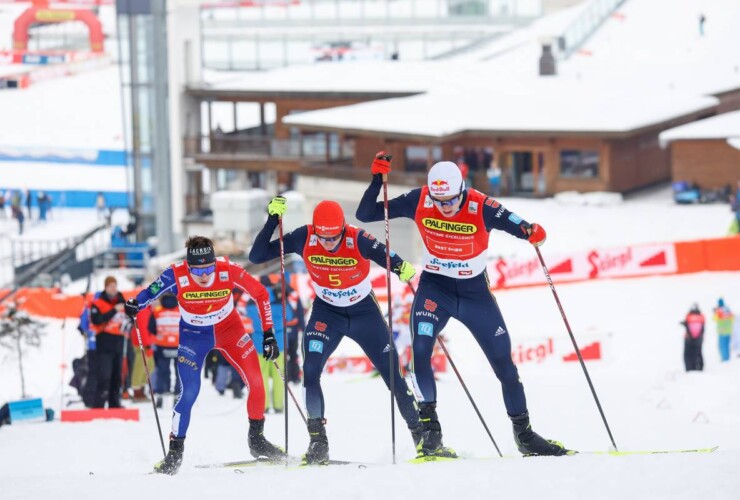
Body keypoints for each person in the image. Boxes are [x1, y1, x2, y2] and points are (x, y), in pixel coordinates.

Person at [356, 152, 569, 458]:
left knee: (505, 366)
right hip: (435, 289)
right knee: (420, 350)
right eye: (439, 201)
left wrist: (533, 232)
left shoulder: (482, 205)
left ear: (462, 190)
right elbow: (366, 214)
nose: (445, 208)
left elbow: (521, 226)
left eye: (451, 201)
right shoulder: (420, 199)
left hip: (474, 295)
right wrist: (377, 179)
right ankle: (431, 434)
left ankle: (524, 435)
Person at [249, 198, 422, 464]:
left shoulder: (357, 238)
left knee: (393, 376)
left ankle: (421, 438)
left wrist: (402, 269)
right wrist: (272, 219)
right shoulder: (304, 236)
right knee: (310, 370)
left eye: (334, 239)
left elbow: (385, 255)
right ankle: (318, 441)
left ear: (342, 228)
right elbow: (257, 256)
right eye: (323, 239)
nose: (328, 244)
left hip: (364, 313)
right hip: (326, 314)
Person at [124, 236, 284, 475]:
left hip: (230, 330)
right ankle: (174, 454)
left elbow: (260, 293)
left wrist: (269, 333)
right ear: (188, 266)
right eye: (197, 270)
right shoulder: (175, 273)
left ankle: (257, 439)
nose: (203, 275)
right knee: (188, 393)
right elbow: (151, 292)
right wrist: (135, 304)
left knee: (256, 380)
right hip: (193, 335)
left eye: (208, 268)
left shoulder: (227, 269)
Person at [89, 276, 129, 409]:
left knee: (117, 376)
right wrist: (113, 311)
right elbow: (96, 320)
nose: (113, 288)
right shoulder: (99, 303)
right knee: (104, 375)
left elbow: (130, 318)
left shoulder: (123, 302)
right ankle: (99, 404)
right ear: (105, 288)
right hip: (104, 342)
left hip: (119, 342)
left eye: (114, 285)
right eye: (110, 286)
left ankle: (114, 403)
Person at [148, 293, 181, 408]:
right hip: (178, 345)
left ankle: (160, 395)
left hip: (162, 345)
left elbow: (151, 328)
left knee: (162, 371)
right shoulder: (181, 310)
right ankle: (177, 396)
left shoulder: (157, 312)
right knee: (179, 373)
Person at [680, 304, 704, 371]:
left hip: (689, 338)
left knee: (688, 354)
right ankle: (699, 367)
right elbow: (703, 328)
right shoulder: (701, 316)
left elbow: (687, 326)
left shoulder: (689, 316)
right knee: (698, 353)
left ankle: (689, 368)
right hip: (698, 338)